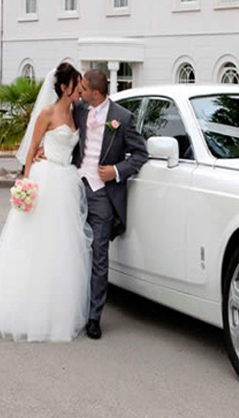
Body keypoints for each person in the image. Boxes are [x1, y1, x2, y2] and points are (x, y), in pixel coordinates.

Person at [0, 63, 92, 342]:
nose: (81, 90)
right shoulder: (47, 113)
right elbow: (31, 150)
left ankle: (56, 312)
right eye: (77, 85)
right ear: (64, 87)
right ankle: (28, 311)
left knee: (62, 248)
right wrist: (26, 184)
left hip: (66, 180)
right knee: (35, 244)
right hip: (46, 178)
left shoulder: (77, 112)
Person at [72, 69, 148, 340]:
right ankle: (72, 310)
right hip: (75, 189)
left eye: (83, 88)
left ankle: (94, 318)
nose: (79, 91)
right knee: (72, 251)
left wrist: (115, 171)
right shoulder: (79, 110)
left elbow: (140, 154)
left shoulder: (122, 118)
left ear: (96, 92)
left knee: (99, 256)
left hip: (103, 195)